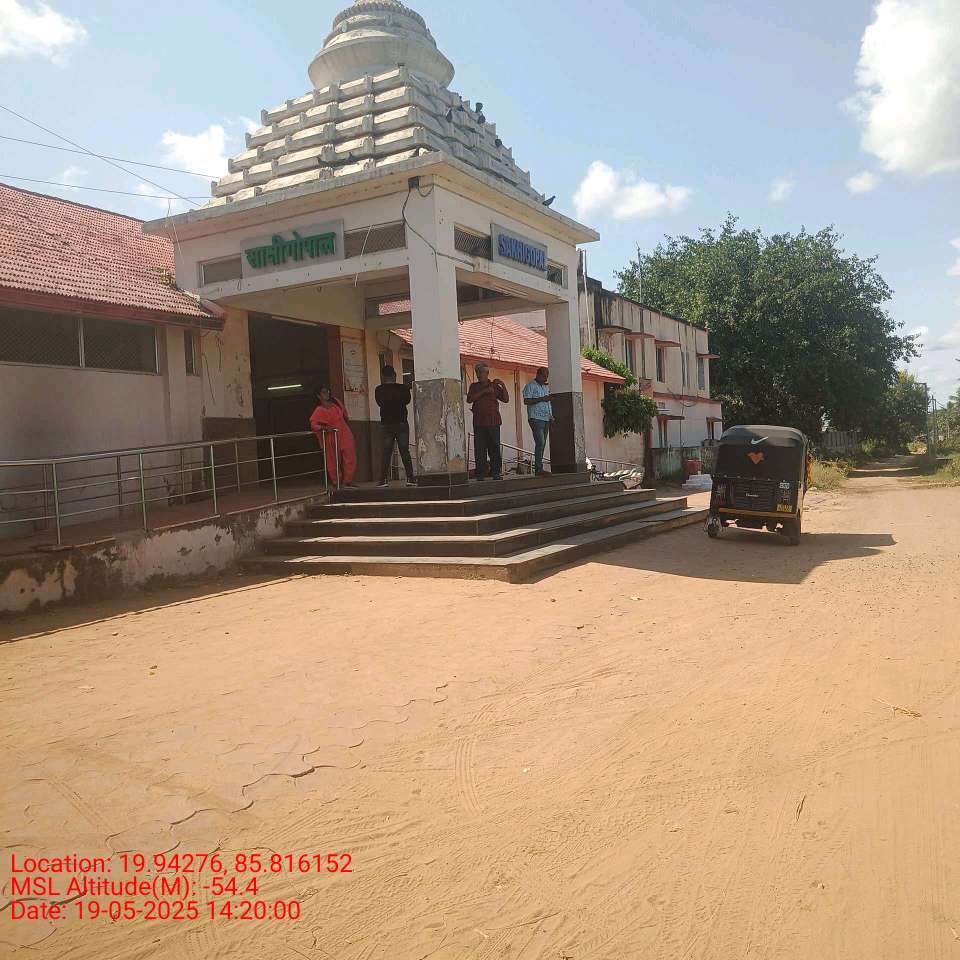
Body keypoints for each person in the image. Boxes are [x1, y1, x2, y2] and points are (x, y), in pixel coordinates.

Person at [466, 363, 509, 480]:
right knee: (480, 449)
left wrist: (503, 385)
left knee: (494, 448)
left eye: (481, 372)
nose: (478, 375)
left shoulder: (494, 386)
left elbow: (506, 399)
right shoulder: (474, 386)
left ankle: (496, 472)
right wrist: (484, 391)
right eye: (477, 372)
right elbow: (469, 399)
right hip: (479, 423)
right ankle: (480, 473)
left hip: (493, 422)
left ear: (487, 373)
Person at [374, 365, 415, 487]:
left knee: (386, 452)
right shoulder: (403, 388)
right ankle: (410, 478)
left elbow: (379, 402)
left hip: (386, 424)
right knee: (404, 451)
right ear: (395, 375)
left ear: (382, 376)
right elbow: (407, 400)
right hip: (401, 423)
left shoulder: (379, 390)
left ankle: (383, 480)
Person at [309, 385, 357, 487]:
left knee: (350, 456)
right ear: (319, 396)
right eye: (324, 392)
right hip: (332, 435)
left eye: (327, 391)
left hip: (344, 432)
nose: (327, 394)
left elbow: (345, 415)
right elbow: (313, 425)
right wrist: (325, 428)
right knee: (333, 460)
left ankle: (348, 481)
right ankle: (336, 481)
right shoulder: (319, 410)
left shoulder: (336, 402)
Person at [522, 366, 552, 475]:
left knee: (542, 444)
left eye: (547, 376)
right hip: (535, 418)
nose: (546, 378)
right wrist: (542, 399)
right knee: (540, 442)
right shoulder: (530, 386)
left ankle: (539, 467)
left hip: (546, 418)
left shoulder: (545, 387)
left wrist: (551, 415)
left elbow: (548, 403)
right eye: (544, 376)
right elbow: (526, 401)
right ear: (538, 375)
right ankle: (538, 468)